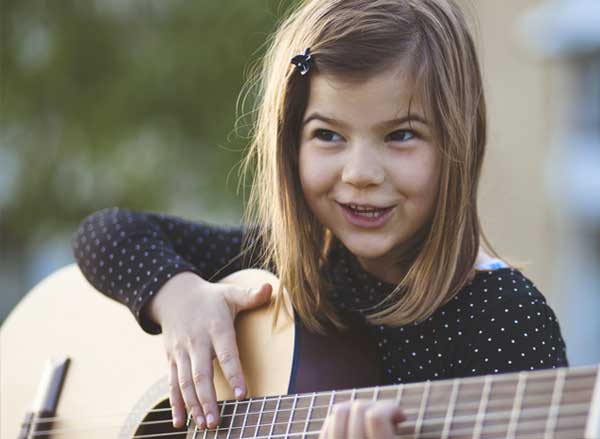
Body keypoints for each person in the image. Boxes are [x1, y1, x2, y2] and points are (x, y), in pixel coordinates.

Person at [72, 0, 568, 437]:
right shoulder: (280, 273)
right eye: (328, 135)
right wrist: (178, 298)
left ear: (457, 141)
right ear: (290, 146)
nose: (361, 174)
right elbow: (107, 233)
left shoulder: (504, 319)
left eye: (400, 135)